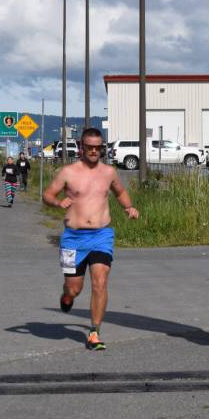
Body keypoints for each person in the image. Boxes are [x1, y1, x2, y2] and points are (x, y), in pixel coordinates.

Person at [42, 127, 139, 351]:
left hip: (101, 235)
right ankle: (67, 296)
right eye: (90, 147)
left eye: (98, 148)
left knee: (100, 281)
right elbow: (47, 195)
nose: (94, 151)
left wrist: (129, 206)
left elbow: (120, 192)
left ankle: (94, 331)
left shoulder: (109, 172)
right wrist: (57, 203)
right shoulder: (68, 172)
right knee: (74, 288)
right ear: (81, 147)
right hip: (73, 239)